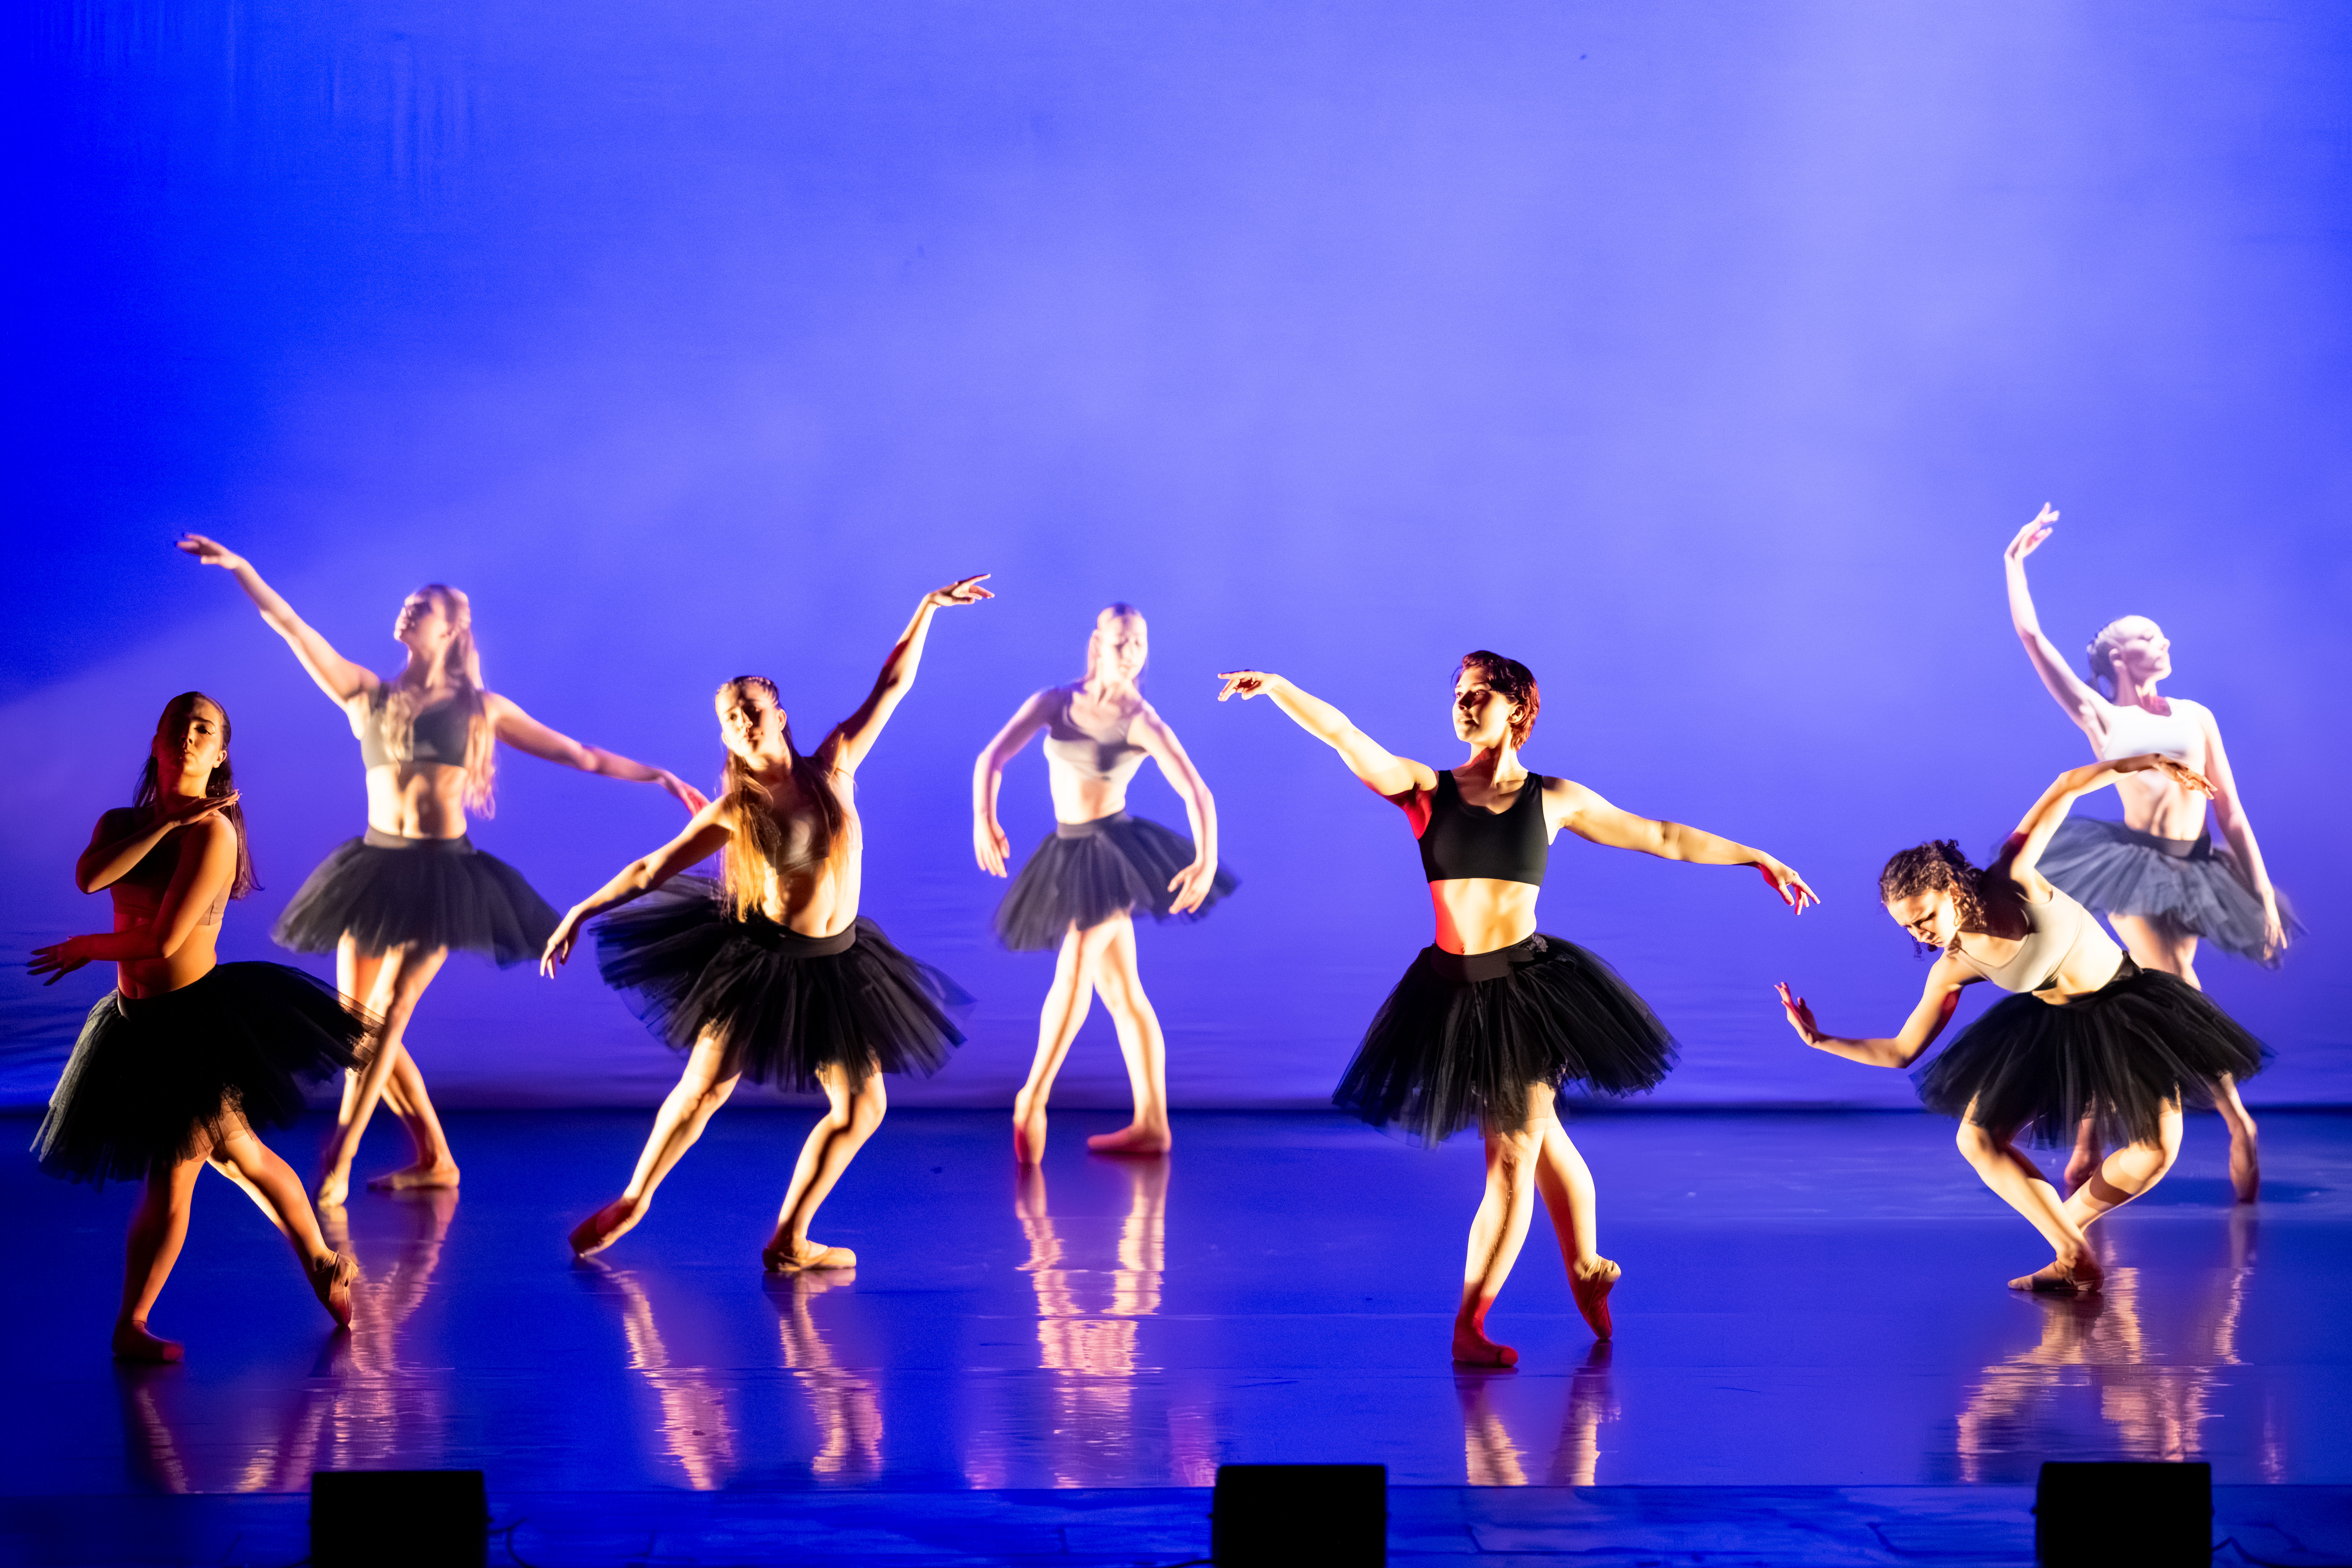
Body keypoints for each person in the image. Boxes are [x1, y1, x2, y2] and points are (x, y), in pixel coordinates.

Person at [1216, 654, 1816, 1365]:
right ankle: (1587, 1267)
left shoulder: (1553, 798)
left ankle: (1471, 1325)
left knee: (1513, 1155)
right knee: (1539, 1135)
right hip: (1450, 992)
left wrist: (1755, 856)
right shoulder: (1424, 790)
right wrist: (1280, 688)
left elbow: (1660, 836)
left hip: (1526, 990)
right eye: (1459, 696)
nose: (1464, 706)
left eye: (1480, 695)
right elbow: (1346, 736)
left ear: (1519, 709)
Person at [178, 534, 706, 1204]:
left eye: (421, 606)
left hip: (443, 876)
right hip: (372, 868)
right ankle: (436, 1158)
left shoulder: (480, 709)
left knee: (391, 1014)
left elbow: (580, 754)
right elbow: (292, 628)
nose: (406, 611)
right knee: (355, 1024)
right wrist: (244, 570)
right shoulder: (364, 695)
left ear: (452, 629)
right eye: (406, 604)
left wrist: (659, 776)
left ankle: (341, 1153)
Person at [544, 575, 991, 1269]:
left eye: (750, 708)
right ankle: (634, 1198)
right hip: (765, 965)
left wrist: (926, 610)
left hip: (842, 965)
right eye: (728, 717)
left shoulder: (836, 764)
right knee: (705, 1089)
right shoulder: (734, 810)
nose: (740, 722)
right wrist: (581, 908)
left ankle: (790, 1240)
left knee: (861, 1110)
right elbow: (650, 869)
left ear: (779, 715)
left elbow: (892, 687)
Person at [1775, 755, 2267, 1294]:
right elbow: (1902, 1051)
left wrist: (2150, 763)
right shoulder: (1953, 967)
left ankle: (2068, 1241)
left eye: (1926, 918)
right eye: (1908, 928)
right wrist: (1820, 1040)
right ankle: (2072, 1253)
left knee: (2156, 1151)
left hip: (2128, 1008)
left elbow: (2067, 787)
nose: (1920, 935)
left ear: (1951, 890)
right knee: (1976, 1138)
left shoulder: (2013, 878)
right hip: (2053, 1029)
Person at [31, 692, 372, 1361]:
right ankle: (324, 1262)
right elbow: (90, 876)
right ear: (156, 741)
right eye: (178, 726)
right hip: (135, 1022)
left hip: (195, 1024)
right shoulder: (121, 823)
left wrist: (83, 949)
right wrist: (162, 824)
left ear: (220, 755)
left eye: (204, 729)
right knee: (239, 1155)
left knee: (176, 1169)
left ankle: (132, 1325)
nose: (189, 736)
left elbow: (163, 941)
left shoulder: (215, 834)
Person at [2002, 505, 2293, 1199]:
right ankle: (2238, 1124)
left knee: (2134, 1000)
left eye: (2160, 635)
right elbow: (2033, 637)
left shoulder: (2197, 716)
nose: (2163, 642)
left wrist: (2262, 897)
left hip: (2201, 872)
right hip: (2138, 872)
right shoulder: (2104, 716)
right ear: (2118, 658)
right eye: (2147, 637)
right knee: (2176, 994)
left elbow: (2233, 814)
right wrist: (2014, 564)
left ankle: (2085, 1137)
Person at [973, 603, 1235, 1162]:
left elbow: (1197, 792)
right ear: (1098, 643)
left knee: (1077, 962)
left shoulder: (1140, 717)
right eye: (1121, 642)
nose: (1131, 653)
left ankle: (1033, 1097)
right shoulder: (1056, 702)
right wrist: (984, 817)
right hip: (1068, 849)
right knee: (1122, 992)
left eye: (1140, 642)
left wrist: (1207, 859)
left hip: (1115, 855)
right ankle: (1152, 1124)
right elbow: (992, 757)